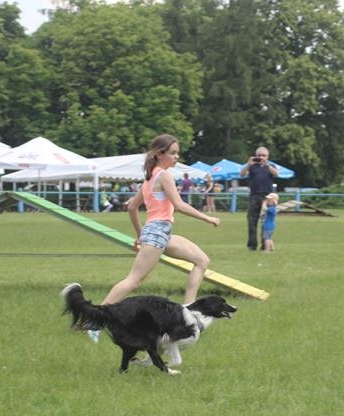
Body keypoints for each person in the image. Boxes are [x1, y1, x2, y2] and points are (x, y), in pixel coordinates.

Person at [88, 134, 220, 343]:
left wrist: (140, 234)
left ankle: (188, 313)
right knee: (134, 280)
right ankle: (95, 322)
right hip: (157, 233)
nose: (177, 157)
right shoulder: (163, 176)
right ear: (160, 154)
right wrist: (207, 217)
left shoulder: (150, 178)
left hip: (161, 233)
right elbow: (179, 205)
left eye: (177, 153)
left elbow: (132, 207)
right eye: (173, 153)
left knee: (202, 260)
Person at [240, 146, 278, 250]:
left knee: (265, 222)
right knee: (252, 221)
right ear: (255, 155)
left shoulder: (271, 166)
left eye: (264, 155)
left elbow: (276, 174)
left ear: (268, 156)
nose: (261, 157)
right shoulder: (252, 166)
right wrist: (248, 164)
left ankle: (264, 245)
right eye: (259, 155)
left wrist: (267, 165)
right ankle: (252, 245)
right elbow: (242, 174)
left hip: (267, 197)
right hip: (254, 195)